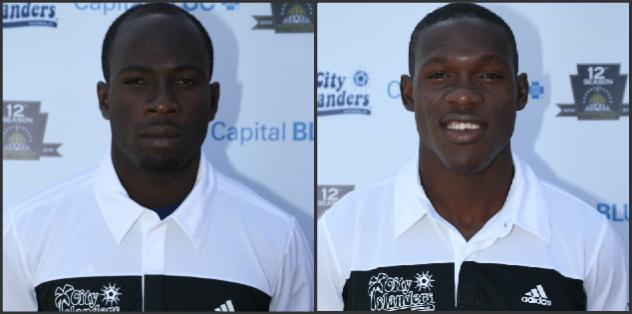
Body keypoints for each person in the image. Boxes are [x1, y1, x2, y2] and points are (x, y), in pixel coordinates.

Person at [317, 3, 627, 311]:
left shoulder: (588, 237)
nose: (464, 95)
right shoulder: (343, 232)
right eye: (439, 75)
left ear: (521, 92)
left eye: (490, 75)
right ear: (409, 93)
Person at [3, 3, 313, 311]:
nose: (163, 103)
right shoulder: (27, 233)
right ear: (104, 99)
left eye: (185, 81)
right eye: (137, 81)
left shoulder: (275, 237)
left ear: (214, 101)